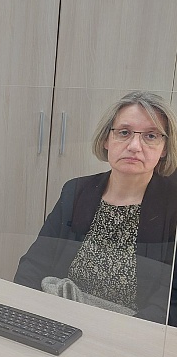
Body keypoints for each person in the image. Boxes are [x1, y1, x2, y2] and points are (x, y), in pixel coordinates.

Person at [14, 91, 177, 324]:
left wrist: (121, 334)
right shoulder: (76, 191)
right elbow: (34, 263)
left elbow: (171, 301)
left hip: (131, 331)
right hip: (59, 318)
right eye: (124, 132)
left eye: (150, 136)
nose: (134, 146)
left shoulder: (172, 206)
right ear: (106, 139)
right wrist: (24, 314)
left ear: (164, 148)